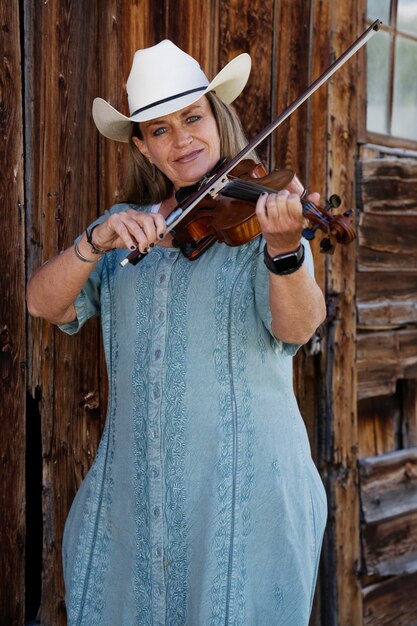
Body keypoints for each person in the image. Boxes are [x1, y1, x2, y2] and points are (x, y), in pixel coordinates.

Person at [27, 39, 328, 626]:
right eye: (160, 130)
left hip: (244, 492)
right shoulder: (122, 229)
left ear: (218, 116)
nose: (182, 139)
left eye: (193, 117)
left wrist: (286, 251)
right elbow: (41, 302)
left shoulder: (261, 217)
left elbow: (299, 325)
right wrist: (95, 242)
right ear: (142, 145)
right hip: (140, 495)